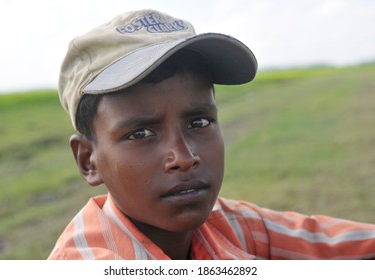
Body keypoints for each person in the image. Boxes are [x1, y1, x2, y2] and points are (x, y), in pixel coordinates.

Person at [48, 9, 375, 260]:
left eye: (199, 123)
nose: (185, 158)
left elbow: (332, 242)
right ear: (88, 160)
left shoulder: (230, 225)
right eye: (142, 133)